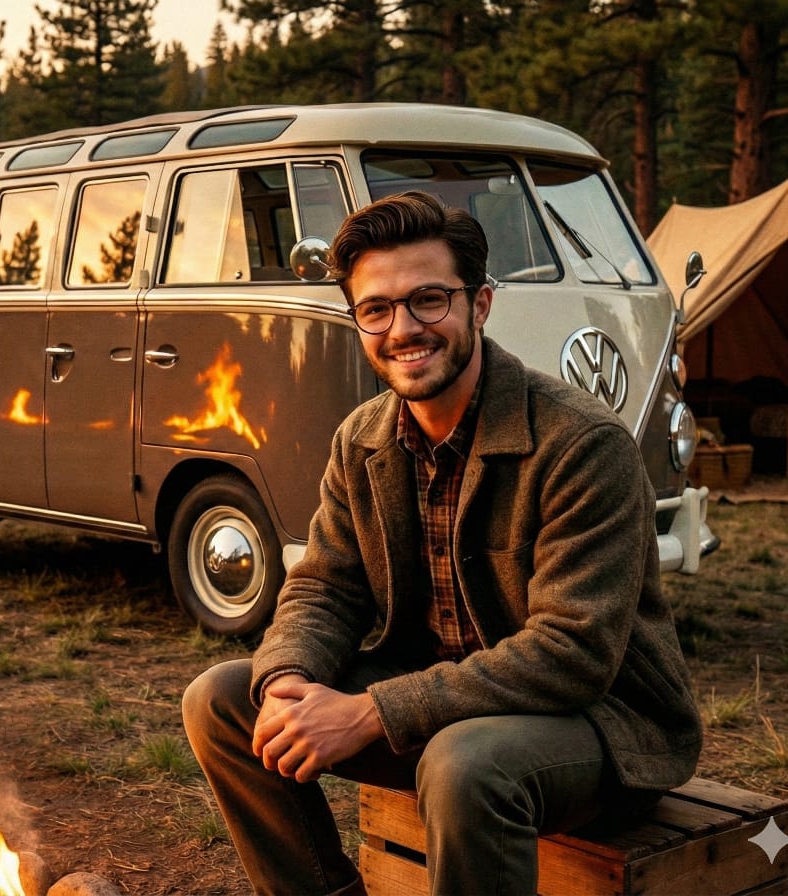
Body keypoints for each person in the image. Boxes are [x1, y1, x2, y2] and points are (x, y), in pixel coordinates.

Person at [182, 191, 702, 896]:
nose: (403, 329)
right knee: (222, 700)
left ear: (480, 305)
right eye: (376, 309)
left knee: (465, 763)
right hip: (439, 705)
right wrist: (287, 681)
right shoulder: (362, 439)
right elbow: (325, 588)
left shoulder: (581, 444)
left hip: (598, 724)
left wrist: (371, 711)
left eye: (429, 300)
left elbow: (572, 653)